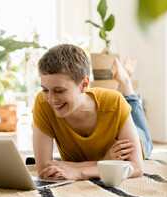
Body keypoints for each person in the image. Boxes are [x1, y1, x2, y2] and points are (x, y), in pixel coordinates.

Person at [32, 44, 153, 180]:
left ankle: (125, 82)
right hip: (109, 110)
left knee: (139, 129)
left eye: (59, 91)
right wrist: (102, 163)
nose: (51, 99)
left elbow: (136, 168)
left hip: (135, 138)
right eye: (45, 90)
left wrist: (79, 172)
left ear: (84, 85)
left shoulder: (115, 102)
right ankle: (122, 83)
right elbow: (44, 168)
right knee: (116, 104)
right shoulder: (43, 104)